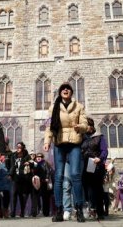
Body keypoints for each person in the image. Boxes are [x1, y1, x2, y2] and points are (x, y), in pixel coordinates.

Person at [43, 82, 88, 222]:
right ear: (60, 92)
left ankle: (79, 208)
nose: (66, 90)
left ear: (71, 92)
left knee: (75, 175)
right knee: (58, 177)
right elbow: (49, 126)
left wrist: (79, 126)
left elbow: (86, 125)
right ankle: (58, 209)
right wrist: (47, 142)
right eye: (63, 89)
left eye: (68, 88)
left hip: (74, 143)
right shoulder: (53, 108)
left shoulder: (79, 106)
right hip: (59, 143)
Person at [81, 117, 108, 220]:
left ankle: (100, 211)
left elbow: (104, 150)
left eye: (86, 125)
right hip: (84, 165)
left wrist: (100, 158)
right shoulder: (82, 138)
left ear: (91, 126)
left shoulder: (99, 137)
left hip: (96, 165)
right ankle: (89, 208)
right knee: (86, 189)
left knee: (97, 189)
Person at [9, 141, 33, 218]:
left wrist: (28, 163)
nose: (18, 149)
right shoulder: (13, 155)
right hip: (15, 178)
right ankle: (13, 212)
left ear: (22, 148)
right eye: (17, 147)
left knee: (21, 196)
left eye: (19, 147)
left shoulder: (27, 155)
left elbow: (32, 163)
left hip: (24, 178)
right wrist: (10, 174)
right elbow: (12, 165)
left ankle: (22, 211)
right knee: (14, 194)